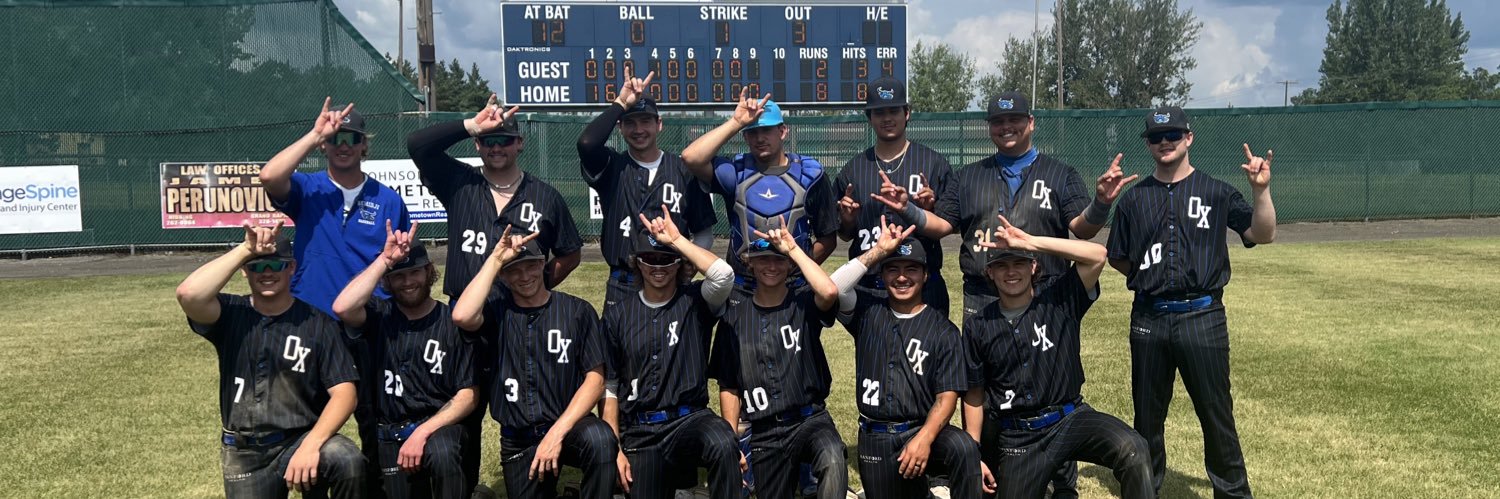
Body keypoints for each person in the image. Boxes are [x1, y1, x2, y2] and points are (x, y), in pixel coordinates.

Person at [878, 92, 1133, 495]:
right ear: (989, 128)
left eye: (1015, 119)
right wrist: (908, 208)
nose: (1006, 127)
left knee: (1051, 384)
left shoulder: (1059, 173)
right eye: (998, 121)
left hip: (1045, 293)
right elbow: (942, 225)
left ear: (1031, 122)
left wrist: (1101, 203)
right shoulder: (968, 176)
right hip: (983, 293)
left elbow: (1082, 229)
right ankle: (990, 466)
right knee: (983, 388)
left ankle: (1061, 481)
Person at [407, 97, 584, 488]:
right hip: (465, 319)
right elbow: (418, 145)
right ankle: (465, 486)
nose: (496, 147)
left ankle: (536, 476)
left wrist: (536, 285)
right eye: (488, 140)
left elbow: (570, 252)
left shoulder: (545, 196)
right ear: (477, 144)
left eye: (504, 139)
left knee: (531, 400)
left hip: (520, 319)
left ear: (520, 143)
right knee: (463, 408)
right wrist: (471, 124)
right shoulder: (459, 182)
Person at [1106, 106, 1276, 499]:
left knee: (1216, 415)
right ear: (1148, 144)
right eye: (1156, 137)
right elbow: (1118, 256)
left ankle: (1232, 492)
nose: (1164, 142)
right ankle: (1144, 489)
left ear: (1189, 138)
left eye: (1173, 135)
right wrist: (1150, 277)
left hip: (1202, 315)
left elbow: (1262, 233)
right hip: (1149, 317)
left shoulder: (1216, 191)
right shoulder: (1134, 200)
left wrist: (1261, 190)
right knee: (1147, 417)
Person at [961, 214, 1153, 499]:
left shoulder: (1059, 299)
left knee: (1133, 448)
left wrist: (1031, 242)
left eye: (1019, 263)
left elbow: (1097, 255)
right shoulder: (979, 326)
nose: (1011, 272)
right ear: (989, 272)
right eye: (1001, 265)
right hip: (1020, 435)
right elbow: (974, 394)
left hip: (1070, 418)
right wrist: (972, 453)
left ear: (1033, 266)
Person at [175, 221, 364, 498]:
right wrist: (246, 250)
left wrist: (312, 444)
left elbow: (345, 393)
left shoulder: (318, 323)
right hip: (245, 450)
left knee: (347, 461)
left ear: (291, 268)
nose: (266, 273)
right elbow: (189, 294)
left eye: (275, 265)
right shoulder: (231, 313)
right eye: (257, 266)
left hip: (300, 438)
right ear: (244, 271)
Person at [451, 228, 617, 499]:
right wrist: (496, 259)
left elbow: (595, 380)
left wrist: (556, 434)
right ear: (503, 275)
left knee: (600, 440)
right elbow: (461, 315)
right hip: (520, 437)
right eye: (514, 270)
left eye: (531, 266)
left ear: (543, 264)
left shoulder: (577, 311)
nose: (525, 275)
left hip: (569, 427)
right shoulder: (496, 312)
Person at [827, 217, 983, 499]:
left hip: (921, 429)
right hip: (876, 436)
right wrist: (878, 251)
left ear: (925, 275)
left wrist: (924, 438)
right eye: (893, 269)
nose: (901, 277)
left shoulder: (943, 330)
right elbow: (834, 287)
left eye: (911, 269)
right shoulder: (868, 312)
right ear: (882, 274)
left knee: (964, 447)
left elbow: (946, 397)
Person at [600, 207, 742, 498]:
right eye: (649, 259)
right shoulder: (618, 314)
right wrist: (614, 447)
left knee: (723, 441)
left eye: (666, 259)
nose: (658, 267)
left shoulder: (695, 301)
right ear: (637, 263)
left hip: (689, 421)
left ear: (679, 264)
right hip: (641, 429)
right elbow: (610, 387)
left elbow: (724, 275)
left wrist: (677, 241)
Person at [331, 222, 476, 499]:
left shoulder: (451, 322)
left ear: (429, 271)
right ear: (387, 280)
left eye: (414, 272)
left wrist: (423, 432)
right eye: (398, 275)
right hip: (390, 431)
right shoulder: (378, 315)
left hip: (438, 427)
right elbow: (342, 307)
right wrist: (385, 262)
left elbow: (468, 395)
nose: (408, 281)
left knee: (443, 454)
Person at [707, 216, 848, 499]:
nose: (771, 266)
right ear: (750, 263)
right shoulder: (733, 319)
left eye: (779, 260)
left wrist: (793, 249)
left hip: (810, 419)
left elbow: (830, 291)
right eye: (763, 260)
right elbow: (729, 386)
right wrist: (732, 442)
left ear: (789, 265)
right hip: (766, 429)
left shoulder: (803, 302)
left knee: (833, 459)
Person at [259, 98, 412, 316]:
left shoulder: (389, 200)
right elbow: (269, 177)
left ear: (364, 144)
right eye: (335, 138)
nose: (344, 145)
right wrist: (315, 135)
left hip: (367, 315)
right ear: (323, 144)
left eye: (352, 138)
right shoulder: (308, 188)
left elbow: (401, 262)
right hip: (310, 314)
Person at [576, 71, 717, 307]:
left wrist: (691, 264)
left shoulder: (683, 170)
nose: (638, 129)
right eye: (630, 123)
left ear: (659, 124)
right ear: (620, 127)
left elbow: (703, 231)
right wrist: (620, 103)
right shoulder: (613, 166)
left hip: (671, 282)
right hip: (624, 285)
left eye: (645, 121)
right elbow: (587, 144)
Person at [681, 88, 839, 285]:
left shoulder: (811, 174)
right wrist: (736, 122)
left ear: (782, 131)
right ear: (745, 137)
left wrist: (795, 272)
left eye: (766, 130)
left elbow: (828, 239)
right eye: (752, 132)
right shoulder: (735, 172)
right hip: (743, 287)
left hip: (793, 287)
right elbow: (691, 157)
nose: (760, 138)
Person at [837, 77, 954, 316]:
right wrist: (847, 219)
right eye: (879, 112)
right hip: (870, 286)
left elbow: (948, 225)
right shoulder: (853, 170)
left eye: (893, 111)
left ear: (906, 113)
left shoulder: (933, 163)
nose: (887, 118)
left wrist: (928, 209)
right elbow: (845, 234)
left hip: (923, 284)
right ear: (869, 117)